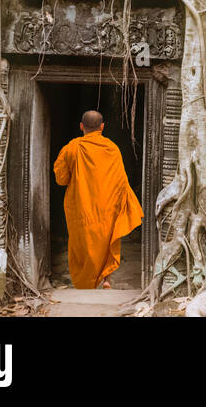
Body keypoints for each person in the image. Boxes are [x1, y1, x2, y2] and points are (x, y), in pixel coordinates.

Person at [53, 109, 143, 290]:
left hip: (81, 206)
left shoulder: (72, 148)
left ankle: (86, 281)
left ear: (81, 126)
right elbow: (120, 180)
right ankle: (106, 279)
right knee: (106, 241)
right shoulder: (112, 149)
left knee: (81, 243)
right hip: (107, 205)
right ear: (102, 127)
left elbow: (61, 179)